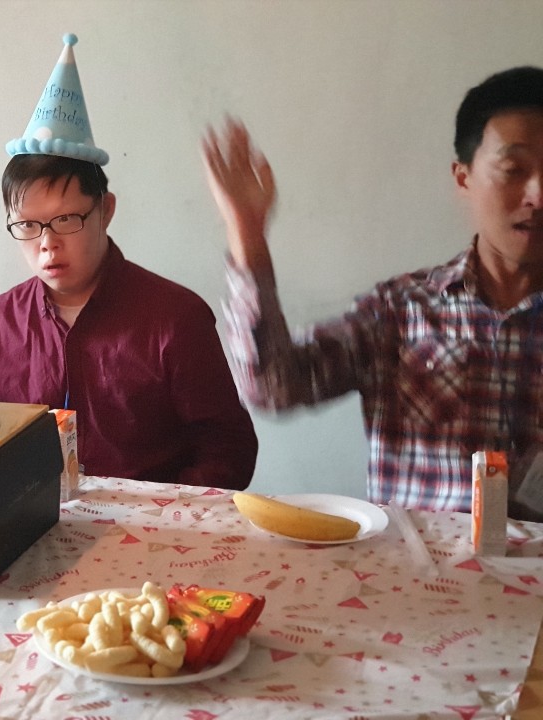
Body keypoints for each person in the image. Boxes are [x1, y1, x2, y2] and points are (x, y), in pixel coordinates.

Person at [203, 66, 543, 515]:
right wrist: (247, 235)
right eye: (514, 170)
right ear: (464, 177)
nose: (537, 194)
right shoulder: (400, 311)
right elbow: (272, 387)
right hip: (420, 558)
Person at [0, 35, 258, 488]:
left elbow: (228, 448)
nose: (47, 244)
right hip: (29, 523)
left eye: (66, 219)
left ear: (106, 210)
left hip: (151, 525)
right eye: (28, 225)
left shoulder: (175, 318)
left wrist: (163, 511)